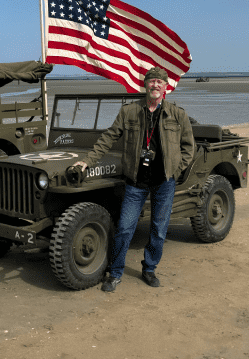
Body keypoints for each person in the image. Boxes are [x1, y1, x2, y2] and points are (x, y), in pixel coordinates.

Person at [71, 67, 194, 293]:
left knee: (158, 229)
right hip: (136, 181)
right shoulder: (129, 112)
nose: (155, 85)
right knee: (125, 228)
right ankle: (115, 273)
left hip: (164, 181)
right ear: (145, 85)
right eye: (151, 81)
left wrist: (177, 170)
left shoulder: (178, 115)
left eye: (159, 82)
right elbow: (108, 137)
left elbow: (188, 147)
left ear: (166, 87)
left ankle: (149, 268)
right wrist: (88, 161)